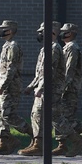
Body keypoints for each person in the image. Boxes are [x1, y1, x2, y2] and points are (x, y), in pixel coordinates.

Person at [20, 21, 65, 156]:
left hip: (50, 89)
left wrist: (40, 87)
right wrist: (31, 86)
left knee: (47, 116)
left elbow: (48, 71)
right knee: (36, 115)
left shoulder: (54, 48)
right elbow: (40, 73)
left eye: (42, 31)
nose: (40, 34)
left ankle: (72, 139)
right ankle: (37, 143)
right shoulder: (45, 49)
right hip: (42, 88)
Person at [55, 23, 82, 156]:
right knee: (63, 116)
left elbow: (69, 70)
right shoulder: (66, 47)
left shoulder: (72, 48)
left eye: (64, 32)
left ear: (71, 33)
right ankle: (63, 144)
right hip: (64, 87)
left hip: (69, 88)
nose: (61, 34)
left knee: (67, 117)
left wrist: (62, 87)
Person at [0, 19, 24, 155]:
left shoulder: (13, 46)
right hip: (2, 86)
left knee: (7, 114)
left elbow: (11, 69)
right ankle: (4, 142)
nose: (1, 31)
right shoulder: (6, 46)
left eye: (4, 29)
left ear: (11, 31)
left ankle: (33, 134)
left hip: (10, 86)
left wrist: (3, 86)